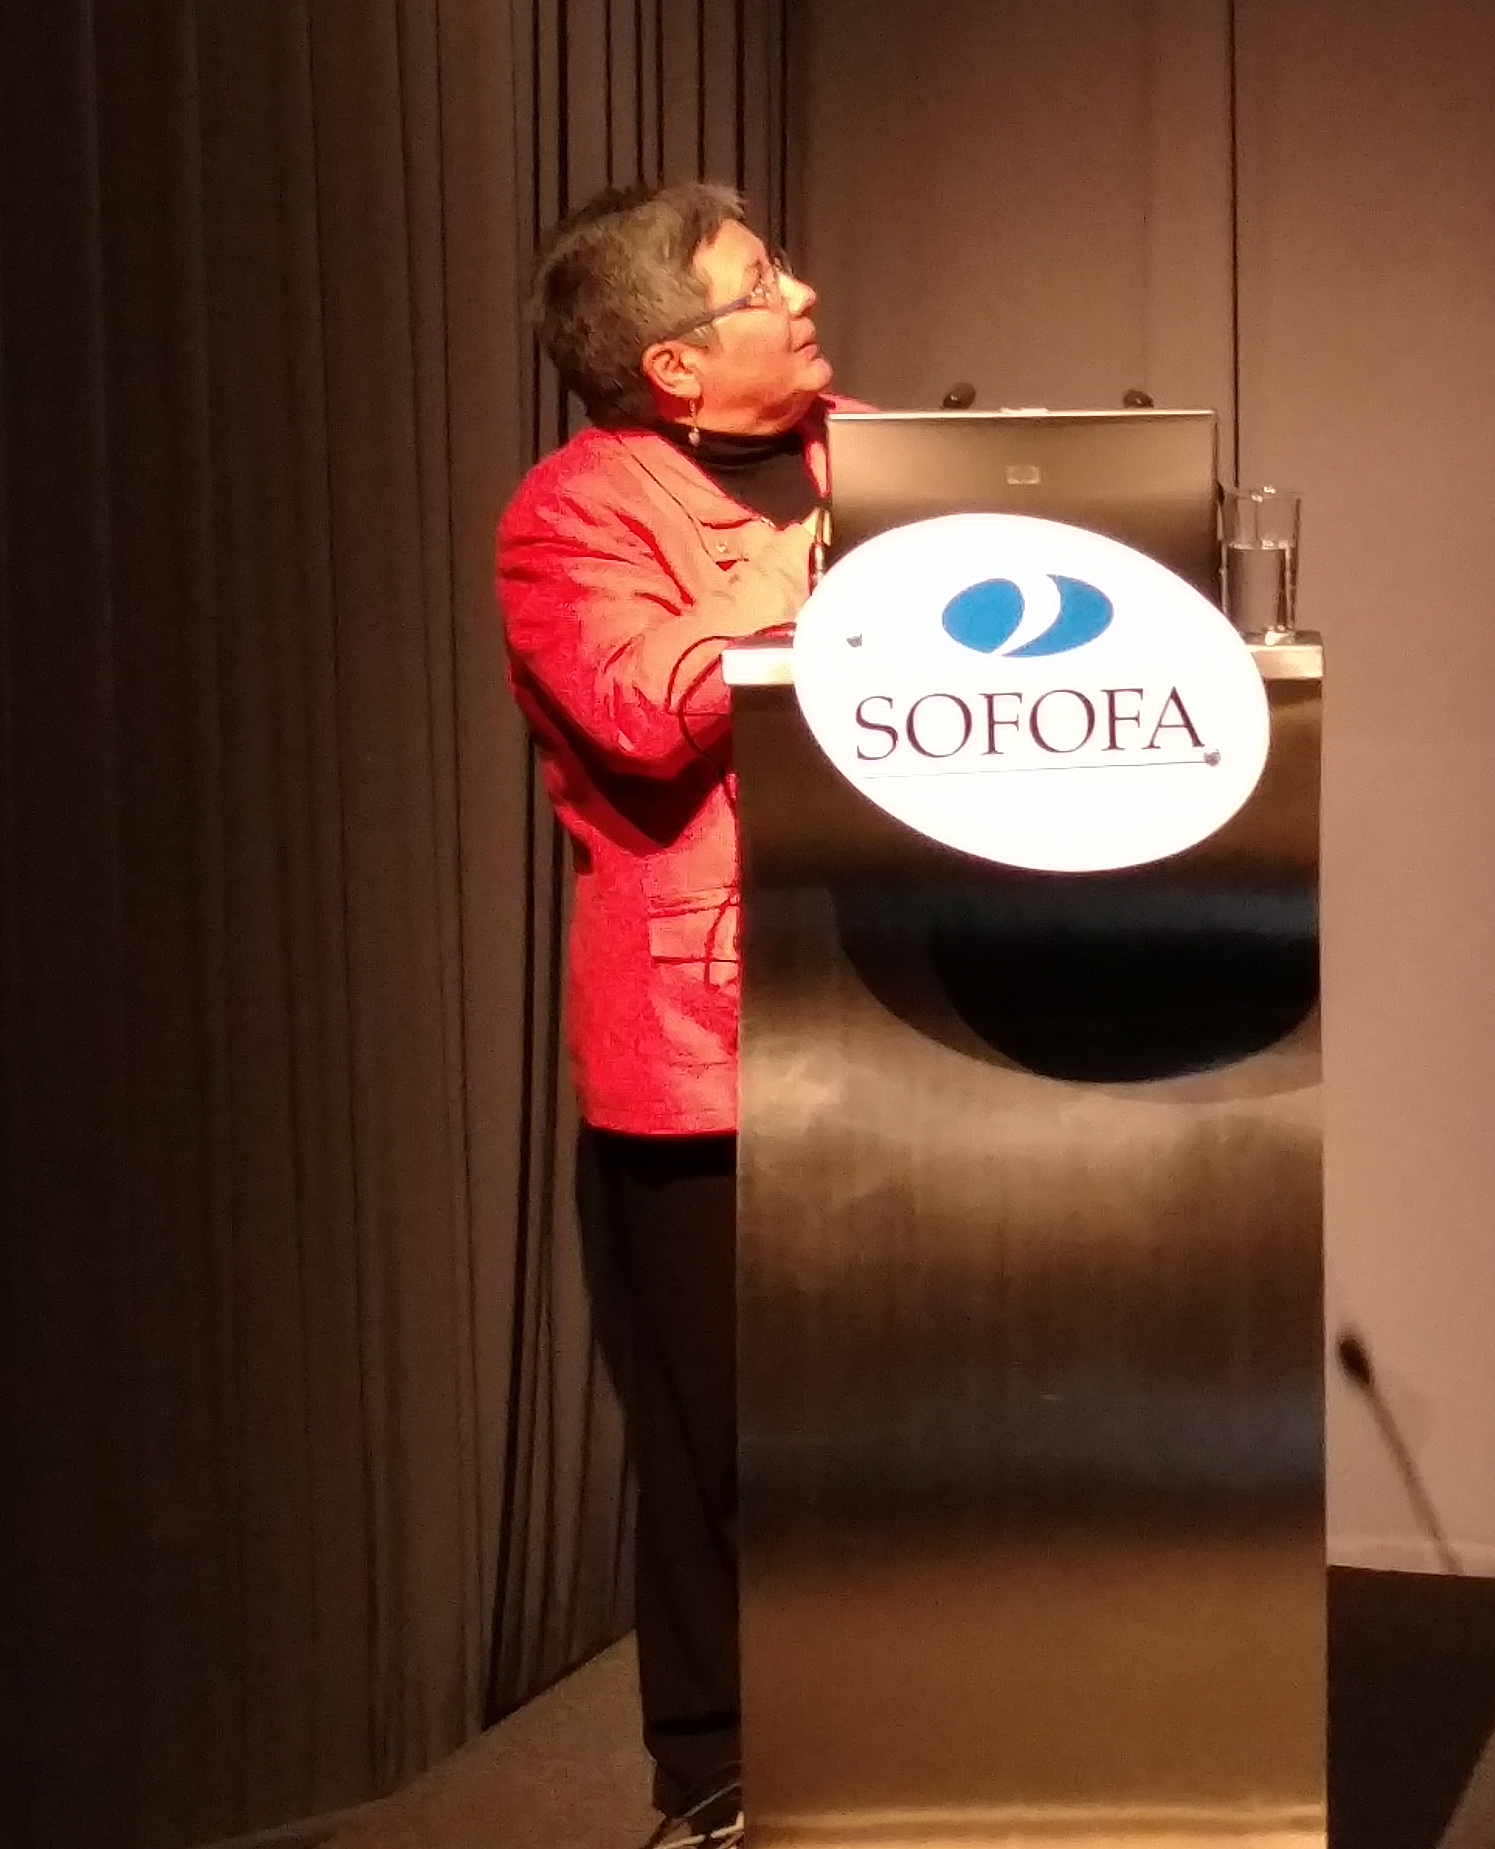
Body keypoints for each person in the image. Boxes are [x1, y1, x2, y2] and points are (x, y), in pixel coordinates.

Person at [497, 180, 841, 1849]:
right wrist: (781, 592)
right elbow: (636, 706)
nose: (807, 292)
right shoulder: (571, 513)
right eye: (765, 281)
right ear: (677, 364)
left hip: (896, 985)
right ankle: (715, 1764)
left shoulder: (874, 457)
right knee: (721, 1432)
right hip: (707, 1039)